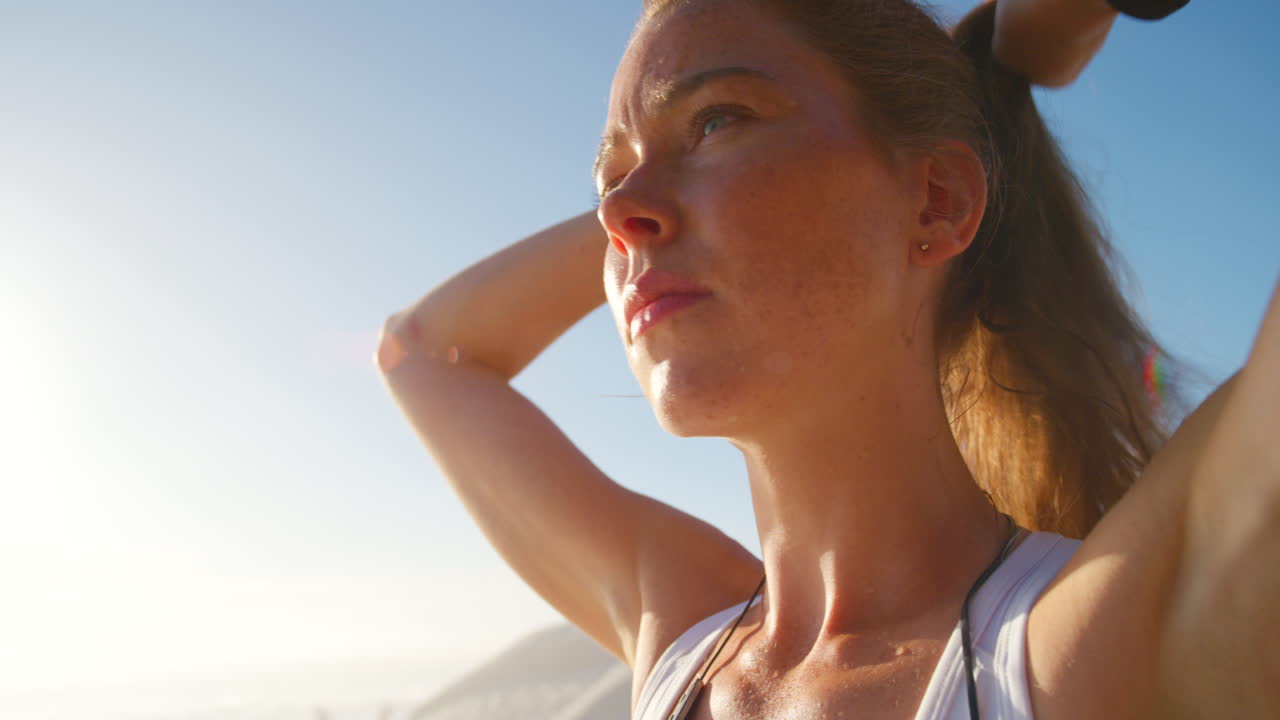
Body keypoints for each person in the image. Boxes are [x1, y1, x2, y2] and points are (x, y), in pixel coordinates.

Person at [376, 0, 1276, 717]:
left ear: (938, 202)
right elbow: (423, 352)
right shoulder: (682, 636)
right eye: (608, 181)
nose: (619, 216)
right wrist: (666, 182)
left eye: (719, 119)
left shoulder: (1098, 641)